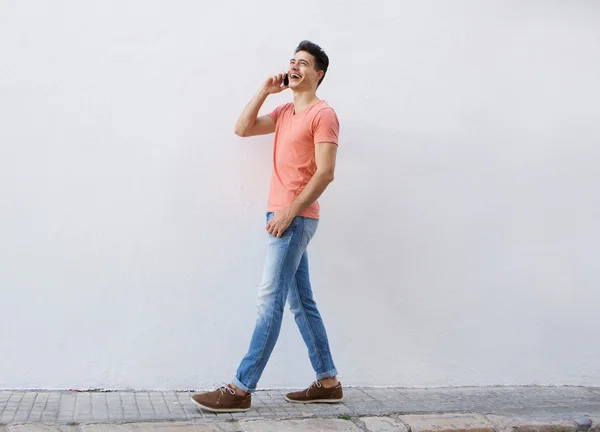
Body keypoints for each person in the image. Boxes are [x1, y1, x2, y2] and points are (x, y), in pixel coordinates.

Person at [191, 40, 342, 413]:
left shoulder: (323, 114)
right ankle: (328, 381)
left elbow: (326, 173)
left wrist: (289, 213)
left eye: (303, 63)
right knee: (301, 304)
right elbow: (242, 129)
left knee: (269, 301)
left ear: (318, 74)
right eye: (292, 61)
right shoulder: (285, 110)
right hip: (279, 217)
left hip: (294, 218)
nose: (294, 67)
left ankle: (240, 389)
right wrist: (264, 90)